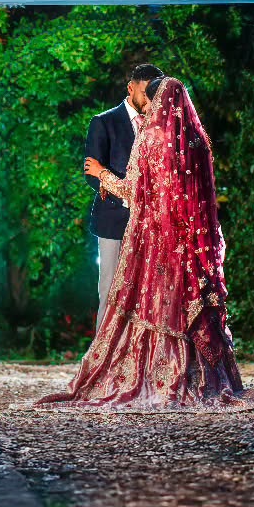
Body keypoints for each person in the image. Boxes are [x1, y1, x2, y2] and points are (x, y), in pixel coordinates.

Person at [36, 76, 254, 411]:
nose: (149, 108)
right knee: (185, 302)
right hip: (189, 242)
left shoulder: (150, 137)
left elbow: (133, 190)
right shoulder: (197, 140)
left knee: (152, 302)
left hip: (154, 240)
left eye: (151, 101)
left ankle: (154, 374)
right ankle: (201, 378)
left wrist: (102, 174)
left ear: (159, 100)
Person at [85, 63, 163, 332]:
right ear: (130, 88)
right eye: (145, 92)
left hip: (152, 224)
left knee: (146, 294)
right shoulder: (103, 122)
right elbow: (91, 174)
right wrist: (129, 197)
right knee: (109, 290)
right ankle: (102, 351)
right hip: (113, 220)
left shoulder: (160, 124)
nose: (149, 99)